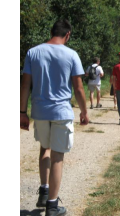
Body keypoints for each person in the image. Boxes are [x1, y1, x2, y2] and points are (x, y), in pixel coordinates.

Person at [20, 19, 89, 216]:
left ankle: (44, 190)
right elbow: (78, 87)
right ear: (67, 34)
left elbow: (25, 85)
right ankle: (52, 205)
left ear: (52, 32)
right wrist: (84, 111)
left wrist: (22, 113)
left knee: (45, 149)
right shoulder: (71, 54)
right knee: (58, 156)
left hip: (40, 112)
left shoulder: (33, 52)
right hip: (61, 112)